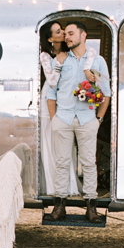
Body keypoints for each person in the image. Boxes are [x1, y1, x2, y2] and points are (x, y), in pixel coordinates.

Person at [46, 22, 110, 223]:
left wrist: (98, 119)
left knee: (89, 164)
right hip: (63, 118)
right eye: (65, 35)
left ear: (84, 35)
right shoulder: (61, 60)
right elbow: (51, 92)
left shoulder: (97, 61)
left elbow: (106, 92)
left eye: (71, 34)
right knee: (62, 163)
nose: (67, 37)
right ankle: (59, 206)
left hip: (87, 118)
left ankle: (91, 208)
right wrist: (53, 119)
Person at [39, 23, 97, 196]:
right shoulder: (45, 55)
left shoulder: (72, 51)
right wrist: (59, 64)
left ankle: (71, 186)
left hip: (66, 100)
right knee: (52, 141)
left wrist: (86, 69)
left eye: (63, 30)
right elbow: (51, 81)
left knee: (67, 146)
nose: (63, 33)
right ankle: (53, 187)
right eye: (58, 32)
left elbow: (91, 53)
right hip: (49, 97)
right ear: (50, 39)